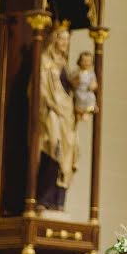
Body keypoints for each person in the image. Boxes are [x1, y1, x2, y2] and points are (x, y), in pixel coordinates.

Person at [36, 25, 78, 214]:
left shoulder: (64, 64)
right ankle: (43, 199)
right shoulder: (45, 61)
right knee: (53, 149)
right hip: (52, 113)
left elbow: (70, 91)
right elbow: (40, 88)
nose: (65, 43)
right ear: (54, 40)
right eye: (62, 39)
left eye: (68, 40)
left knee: (68, 157)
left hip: (67, 116)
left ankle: (58, 201)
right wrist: (51, 106)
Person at [71, 51, 98, 121]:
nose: (86, 63)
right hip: (79, 91)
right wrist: (76, 81)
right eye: (84, 61)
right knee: (79, 98)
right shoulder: (77, 72)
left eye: (89, 61)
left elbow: (94, 82)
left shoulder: (91, 73)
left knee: (91, 97)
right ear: (80, 62)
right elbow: (72, 82)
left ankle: (88, 110)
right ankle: (80, 112)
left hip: (87, 91)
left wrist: (93, 85)